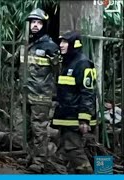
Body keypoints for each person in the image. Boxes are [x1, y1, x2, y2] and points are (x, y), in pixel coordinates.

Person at [19, 8, 60, 172]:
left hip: (41, 96)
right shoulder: (26, 45)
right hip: (26, 95)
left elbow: (59, 72)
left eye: (39, 23)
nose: (35, 25)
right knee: (27, 129)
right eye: (33, 22)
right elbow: (12, 61)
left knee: (39, 130)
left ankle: (39, 161)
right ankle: (31, 156)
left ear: (44, 25)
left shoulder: (50, 47)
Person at [52, 31, 97, 174]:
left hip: (75, 117)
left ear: (74, 44)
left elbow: (88, 93)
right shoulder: (67, 63)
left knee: (73, 149)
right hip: (66, 116)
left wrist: (84, 119)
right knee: (65, 152)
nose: (61, 45)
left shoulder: (83, 64)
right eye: (61, 42)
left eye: (65, 42)